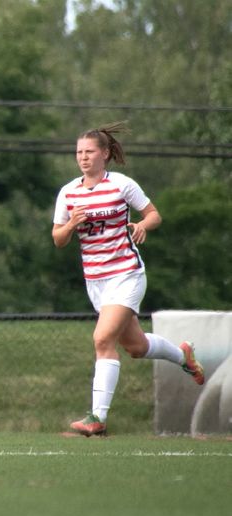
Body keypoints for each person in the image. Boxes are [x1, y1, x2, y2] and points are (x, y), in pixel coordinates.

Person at [52, 121, 205, 437]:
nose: (83, 157)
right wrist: (71, 225)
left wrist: (142, 226)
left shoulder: (121, 184)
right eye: (79, 152)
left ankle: (97, 418)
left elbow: (154, 214)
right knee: (136, 347)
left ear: (104, 154)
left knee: (102, 340)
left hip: (126, 273)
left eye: (90, 151)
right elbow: (58, 239)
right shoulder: (68, 193)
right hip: (96, 281)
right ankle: (183, 355)